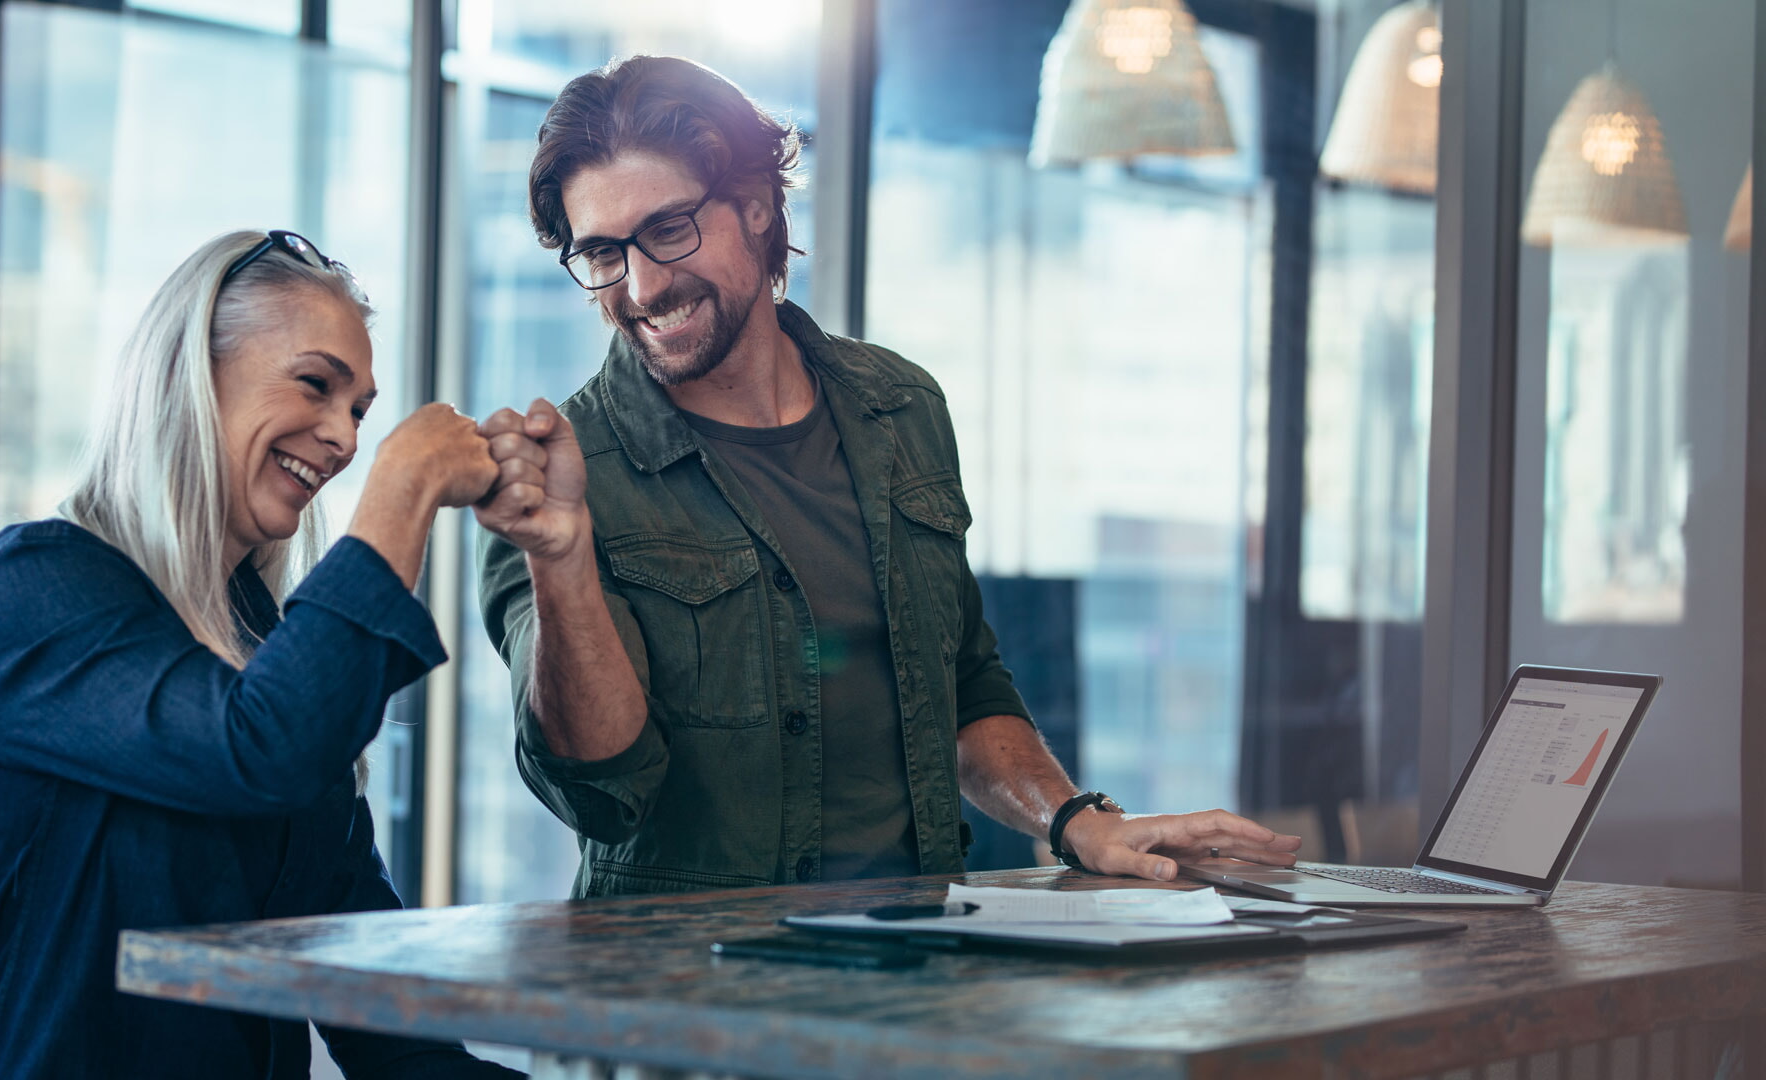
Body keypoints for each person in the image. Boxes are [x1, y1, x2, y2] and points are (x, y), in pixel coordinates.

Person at [474, 56, 1302, 899]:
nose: (643, 285)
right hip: (684, 973)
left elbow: (961, 685)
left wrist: (1073, 820)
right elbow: (596, 790)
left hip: (917, 952)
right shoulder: (560, 483)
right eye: (603, 253)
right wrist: (560, 560)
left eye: (669, 229)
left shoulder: (902, 408)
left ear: (755, 205)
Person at [0, 230, 521, 1079]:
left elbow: (373, 996)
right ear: (191, 373)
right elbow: (259, 749)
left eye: (359, 412)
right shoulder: (34, 586)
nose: (345, 438)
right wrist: (404, 486)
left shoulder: (271, 650)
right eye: (315, 384)